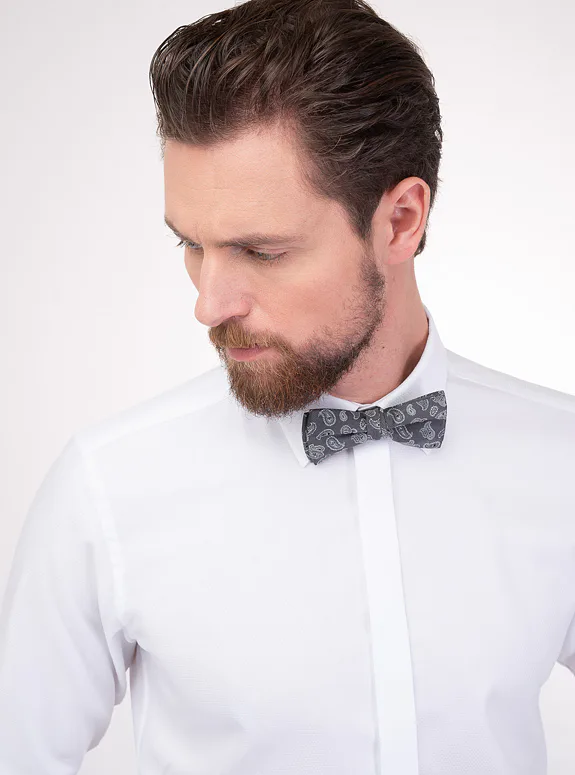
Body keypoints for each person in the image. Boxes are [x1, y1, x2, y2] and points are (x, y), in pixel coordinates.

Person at [1, 0, 574, 772]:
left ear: (400, 220)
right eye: (191, 244)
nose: (208, 304)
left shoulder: (559, 462)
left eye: (261, 251)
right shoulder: (106, 487)